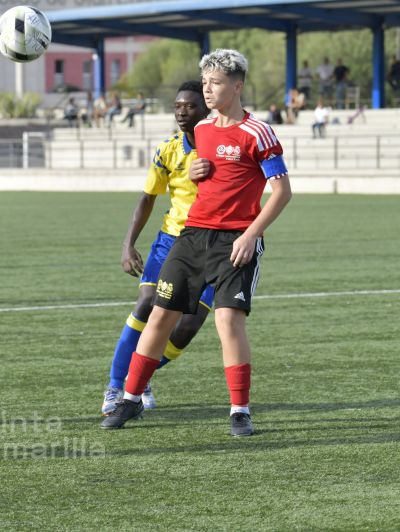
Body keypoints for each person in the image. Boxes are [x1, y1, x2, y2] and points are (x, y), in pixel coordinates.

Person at [101, 48, 292, 437]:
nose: (207, 90)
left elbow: (282, 191)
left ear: (237, 86)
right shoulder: (202, 131)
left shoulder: (258, 132)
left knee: (227, 320)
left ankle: (240, 410)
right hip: (191, 236)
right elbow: (204, 176)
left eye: (215, 83)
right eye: (204, 82)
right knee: (159, 314)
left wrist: (251, 235)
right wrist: (197, 170)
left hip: (235, 241)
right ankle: (131, 399)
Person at [101, 80, 214, 416]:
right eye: (178, 106)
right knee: (147, 302)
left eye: (190, 106)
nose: (182, 112)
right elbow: (147, 197)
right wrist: (128, 244)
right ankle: (115, 385)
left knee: (187, 328)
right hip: (171, 241)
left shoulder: (221, 147)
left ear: (206, 109)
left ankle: (143, 373)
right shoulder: (168, 150)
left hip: (212, 244)